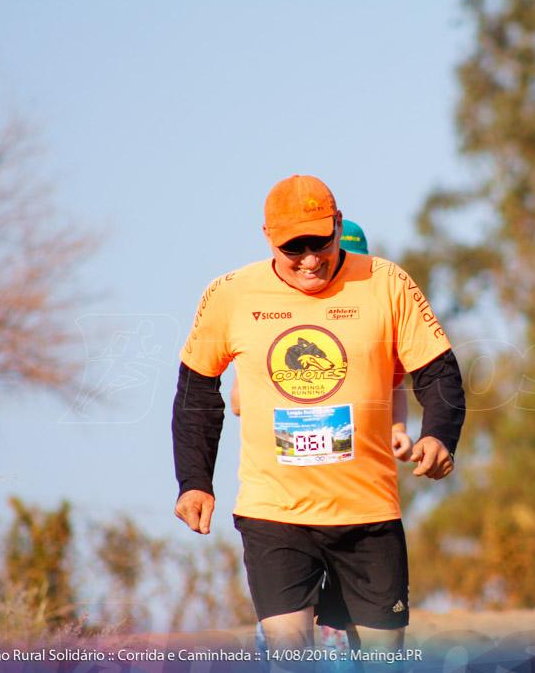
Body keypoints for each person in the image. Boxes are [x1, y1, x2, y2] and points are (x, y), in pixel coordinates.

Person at [173, 174, 465, 654]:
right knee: (290, 653)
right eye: (295, 248)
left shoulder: (387, 282)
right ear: (269, 239)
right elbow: (196, 390)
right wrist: (194, 480)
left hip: (368, 512)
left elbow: (439, 374)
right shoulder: (230, 294)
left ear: (338, 224)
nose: (310, 259)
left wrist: (438, 436)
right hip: (274, 511)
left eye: (321, 242)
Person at [229, 218, 414, 461]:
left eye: (354, 268)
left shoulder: (374, 330)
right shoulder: (277, 327)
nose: (344, 277)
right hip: (285, 470)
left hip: (357, 474)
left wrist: (397, 429)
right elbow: (238, 403)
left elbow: (396, 386)